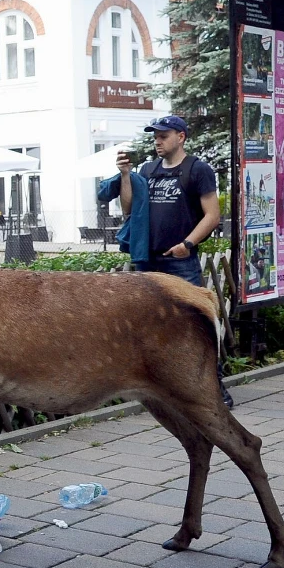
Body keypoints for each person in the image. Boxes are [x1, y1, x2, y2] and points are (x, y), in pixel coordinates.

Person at [100, 114, 231, 406]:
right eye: (155, 137)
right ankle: (163, 390)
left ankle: (216, 390)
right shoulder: (148, 169)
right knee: (147, 326)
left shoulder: (197, 169)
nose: (157, 142)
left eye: (163, 136)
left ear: (180, 137)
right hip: (148, 260)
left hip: (180, 260)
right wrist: (125, 175)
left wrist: (188, 244)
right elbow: (129, 208)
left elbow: (212, 215)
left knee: (197, 325)